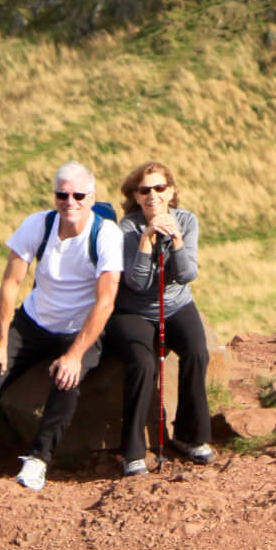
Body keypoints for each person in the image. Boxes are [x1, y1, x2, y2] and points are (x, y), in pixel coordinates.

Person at [0, 161, 123, 492]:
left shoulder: (106, 234)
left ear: (92, 197)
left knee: (67, 380)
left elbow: (106, 301)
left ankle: (39, 460)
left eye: (79, 195)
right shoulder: (38, 225)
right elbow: (11, 282)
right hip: (35, 320)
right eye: (62, 195)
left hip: (79, 327)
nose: (70, 203)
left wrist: (76, 354)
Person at [106, 157, 213, 476]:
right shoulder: (127, 228)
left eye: (159, 188)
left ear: (171, 192)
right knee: (143, 363)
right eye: (144, 190)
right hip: (134, 310)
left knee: (197, 352)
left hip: (177, 304)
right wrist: (145, 240)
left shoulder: (187, 220)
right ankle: (133, 451)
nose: (152, 195)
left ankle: (190, 436)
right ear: (135, 196)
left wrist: (176, 239)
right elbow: (136, 284)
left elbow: (187, 273)